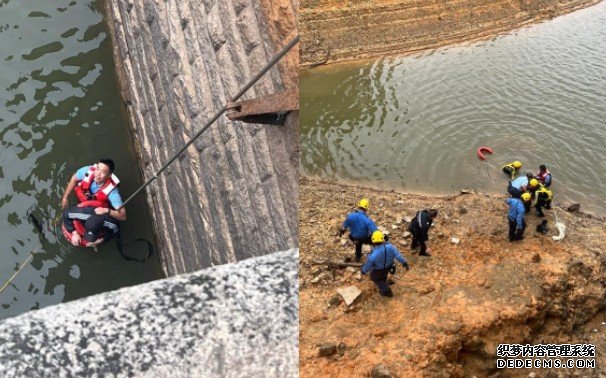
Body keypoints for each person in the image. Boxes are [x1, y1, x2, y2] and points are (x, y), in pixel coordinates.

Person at [61, 158, 126, 247]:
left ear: (109, 175)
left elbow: (123, 216)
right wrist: (65, 197)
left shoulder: (112, 193)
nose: (97, 174)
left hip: (98, 210)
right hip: (83, 201)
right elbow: (74, 179)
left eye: (103, 172)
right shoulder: (86, 171)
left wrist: (107, 211)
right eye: (97, 168)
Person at [361, 231, 409, 297]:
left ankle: (386, 290)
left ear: (373, 241)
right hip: (389, 266)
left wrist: (363, 270)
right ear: (382, 239)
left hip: (378, 270)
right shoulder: (390, 247)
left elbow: (368, 265)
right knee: (383, 276)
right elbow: (398, 255)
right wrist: (404, 262)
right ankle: (384, 283)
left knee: (374, 277)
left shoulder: (372, 255)